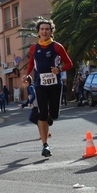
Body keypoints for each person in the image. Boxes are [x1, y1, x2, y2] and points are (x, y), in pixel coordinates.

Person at [23, 18, 73, 158]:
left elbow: (69, 63)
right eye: (42, 29)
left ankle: (51, 116)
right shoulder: (33, 48)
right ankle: (45, 145)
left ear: (51, 32)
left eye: (47, 29)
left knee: (54, 115)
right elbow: (31, 64)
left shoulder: (57, 47)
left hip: (55, 85)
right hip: (40, 84)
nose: (44, 31)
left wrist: (60, 69)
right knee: (42, 113)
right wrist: (26, 75)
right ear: (38, 32)